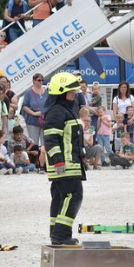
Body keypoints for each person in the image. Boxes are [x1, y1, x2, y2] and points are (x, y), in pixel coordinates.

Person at [44, 72, 86, 245]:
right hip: (64, 165)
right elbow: (50, 139)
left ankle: (56, 233)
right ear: (61, 92)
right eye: (71, 92)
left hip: (70, 163)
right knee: (73, 195)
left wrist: (81, 155)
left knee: (60, 197)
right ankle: (61, 235)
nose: (74, 95)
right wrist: (58, 161)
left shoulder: (66, 110)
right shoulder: (57, 112)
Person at [21, 73, 48, 159]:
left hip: (45, 120)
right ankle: (35, 161)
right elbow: (24, 106)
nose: (41, 82)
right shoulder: (29, 92)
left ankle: (44, 161)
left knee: (45, 142)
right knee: (34, 141)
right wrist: (34, 113)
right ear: (34, 81)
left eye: (42, 80)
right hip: (33, 120)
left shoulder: (46, 91)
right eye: (39, 80)